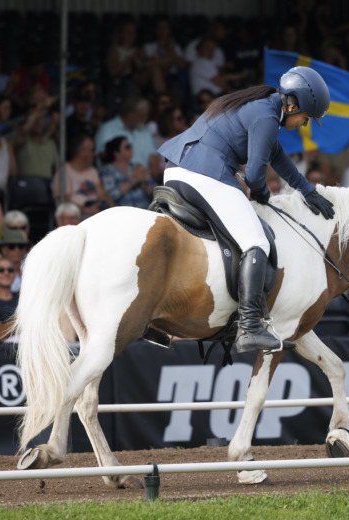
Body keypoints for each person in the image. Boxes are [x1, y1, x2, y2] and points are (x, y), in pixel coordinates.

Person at [158, 66, 335, 353]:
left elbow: (275, 155)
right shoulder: (265, 115)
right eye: (306, 117)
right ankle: (250, 326)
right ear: (292, 105)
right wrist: (264, 194)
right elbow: (254, 177)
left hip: (177, 171)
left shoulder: (263, 109)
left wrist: (307, 190)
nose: (305, 124)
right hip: (205, 174)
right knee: (257, 241)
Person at [53, 133, 113, 216]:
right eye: (92, 150)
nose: (94, 153)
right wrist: (87, 210)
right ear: (82, 153)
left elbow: (102, 195)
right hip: (75, 217)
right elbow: (64, 202)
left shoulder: (92, 171)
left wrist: (111, 209)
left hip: (95, 213)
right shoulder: (64, 171)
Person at [100, 137, 155, 209]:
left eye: (130, 146)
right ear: (117, 153)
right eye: (127, 147)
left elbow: (154, 193)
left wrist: (144, 183)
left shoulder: (137, 167)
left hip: (144, 210)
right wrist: (134, 180)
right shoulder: (107, 171)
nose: (131, 149)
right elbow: (110, 196)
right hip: (123, 215)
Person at [0, 230, 27, 295]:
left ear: (24, 250)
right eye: (11, 246)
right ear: (4, 250)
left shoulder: (32, 269)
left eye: (20, 246)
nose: (17, 250)